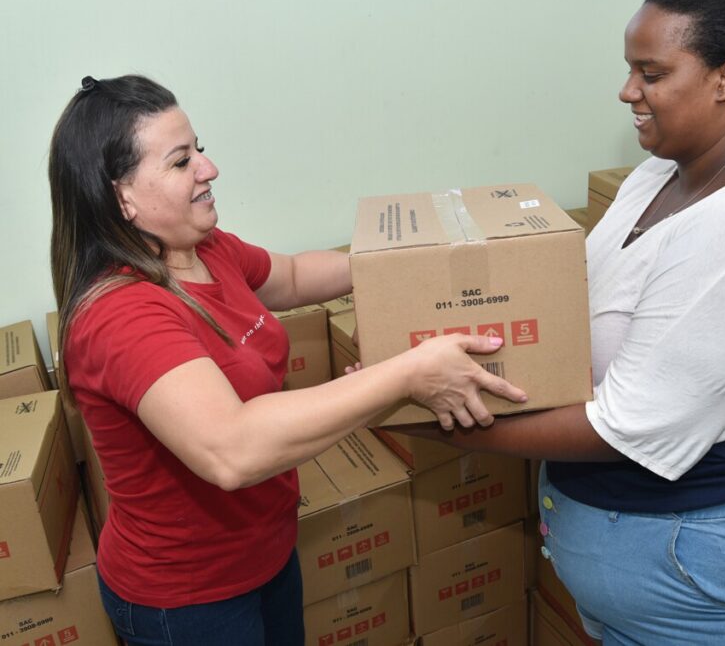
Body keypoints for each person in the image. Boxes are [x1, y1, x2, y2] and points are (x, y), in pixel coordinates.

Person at [391, 0, 725, 645]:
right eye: (630, 70)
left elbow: (628, 426)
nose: (628, 91)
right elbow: (584, 304)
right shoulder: (658, 176)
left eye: (652, 74)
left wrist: (429, 418)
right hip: (650, 566)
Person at [48, 74, 527, 646]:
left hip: (266, 553)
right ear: (121, 197)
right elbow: (232, 449)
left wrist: (406, 259)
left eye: (199, 148)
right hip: (190, 599)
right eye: (181, 162)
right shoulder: (122, 314)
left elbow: (296, 276)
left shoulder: (204, 249)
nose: (208, 168)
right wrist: (406, 374)